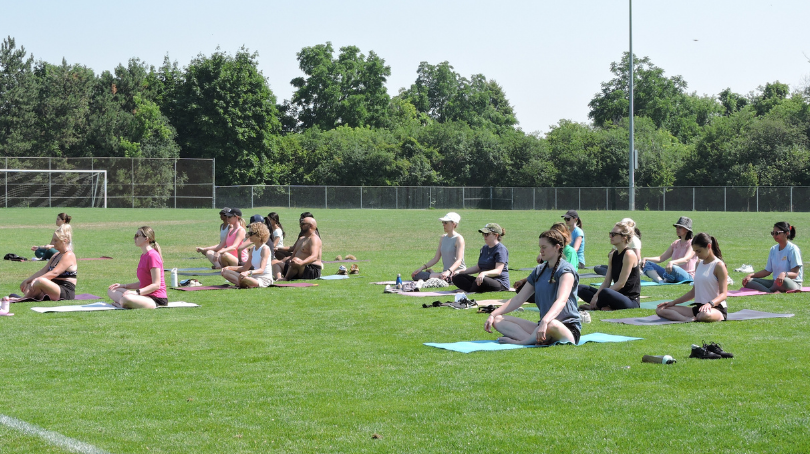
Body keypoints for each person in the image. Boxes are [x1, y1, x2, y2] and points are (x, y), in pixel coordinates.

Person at [485, 229, 581, 345]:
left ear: (556, 247)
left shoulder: (566, 271)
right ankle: (537, 340)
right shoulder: (539, 270)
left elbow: (562, 300)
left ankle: (523, 342)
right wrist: (493, 314)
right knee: (498, 320)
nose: (541, 251)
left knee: (552, 324)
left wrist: (545, 321)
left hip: (566, 329)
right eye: (540, 247)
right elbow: (518, 299)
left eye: (544, 247)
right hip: (543, 326)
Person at [656, 233, 728, 322]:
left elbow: (723, 294)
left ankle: (697, 317)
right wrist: (673, 303)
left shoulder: (719, 265)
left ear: (709, 246)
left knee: (704, 315)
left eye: (699, 251)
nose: (697, 254)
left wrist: (710, 304)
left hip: (715, 309)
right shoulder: (698, 264)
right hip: (699, 308)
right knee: (661, 309)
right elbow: (693, 292)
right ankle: (687, 319)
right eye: (695, 251)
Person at [578, 221, 641, 310]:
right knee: (580, 288)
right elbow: (607, 281)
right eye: (610, 233)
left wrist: (599, 296)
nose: (610, 236)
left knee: (606, 292)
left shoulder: (629, 254)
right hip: (612, 295)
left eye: (614, 234)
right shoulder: (613, 255)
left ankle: (597, 307)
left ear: (624, 237)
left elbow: (621, 284)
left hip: (629, 300)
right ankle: (606, 306)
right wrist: (596, 296)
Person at [9, 224, 77, 301]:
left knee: (39, 281)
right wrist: (27, 280)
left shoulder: (69, 255)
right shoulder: (56, 255)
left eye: (55, 240)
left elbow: (54, 273)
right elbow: (43, 271)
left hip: (65, 292)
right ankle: (31, 295)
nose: (52, 243)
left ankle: (24, 298)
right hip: (53, 288)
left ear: (65, 241)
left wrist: (36, 280)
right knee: (29, 284)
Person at [107, 226, 167, 309]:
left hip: (155, 299)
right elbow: (143, 283)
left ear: (146, 238)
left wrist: (136, 293)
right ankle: (123, 302)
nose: (134, 238)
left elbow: (156, 285)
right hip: (143, 295)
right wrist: (123, 286)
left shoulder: (153, 256)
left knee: (127, 298)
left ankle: (122, 303)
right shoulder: (143, 256)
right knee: (111, 290)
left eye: (137, 236)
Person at [514, 222, 577, 292]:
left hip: (560, 289)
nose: (540, 251)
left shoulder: (569, 254)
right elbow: (541, 274)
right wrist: (523, 281)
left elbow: (569, 275)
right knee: (521, 289)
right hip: (548, 287)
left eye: (544, 247)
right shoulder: (543, 264)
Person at [742, 222, 803, 293]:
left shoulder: (793, 249)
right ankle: (770, 291)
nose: (774, 235)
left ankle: (769, 290)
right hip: (776, 282)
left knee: (784, 281)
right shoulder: (773, 249)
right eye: (773, 233)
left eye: (777, 233)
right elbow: (767, 271)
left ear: (786, 233)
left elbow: (795, 273)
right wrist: (751, 275)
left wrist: (784, 274)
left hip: (791, 283)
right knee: (749, 281)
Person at [452, 223, 509, 293]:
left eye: (487, 234)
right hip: (482, 279)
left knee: (483, 280)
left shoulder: (501, 249)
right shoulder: (484, 248)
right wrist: (460, 272)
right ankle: (473, 288)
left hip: (499, 282)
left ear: (496, 235)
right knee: (457, 277)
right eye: (483, 234)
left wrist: (484, 273)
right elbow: (478, 267)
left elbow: (498, 271)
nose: (484, 236)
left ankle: (470, 290)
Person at [640, 216, 698, 283]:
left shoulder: (693, 243)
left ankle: (667, 278)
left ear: (687, 230)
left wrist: (672, 262)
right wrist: (645, 258)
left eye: (680, 227)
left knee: (674, 267)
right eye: (676, 227)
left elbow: (686, 259)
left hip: (687, 275)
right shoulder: (675, 243)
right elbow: (661, 258)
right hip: (672, 271)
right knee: (647, 264)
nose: (677, 229)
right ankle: (661, 281)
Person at [411, 212, 466, 282]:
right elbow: (436, 258)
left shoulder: (459, 239)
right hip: (445, 273)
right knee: (417, 275)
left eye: (446, 222)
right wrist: (421, 268)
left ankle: (434, 274)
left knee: (449, 278)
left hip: (457, 273)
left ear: (453, 224)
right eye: (443, 222)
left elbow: (459, 261)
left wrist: (448, 271)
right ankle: (435, 275)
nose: (443, 224)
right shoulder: (443, 238)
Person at [221, 222, 274, 288]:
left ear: (259, 235)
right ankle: (243, 284)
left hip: (264, 280)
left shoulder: (265, 248)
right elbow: (245, 268)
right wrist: (229, 268)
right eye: (249, 233)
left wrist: (248, 273)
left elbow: (261, 270)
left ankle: (241, 285)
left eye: (251, 233)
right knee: (225, 272)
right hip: (253, 278)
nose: (249, 236)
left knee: (243, 278)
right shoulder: (253, 249)